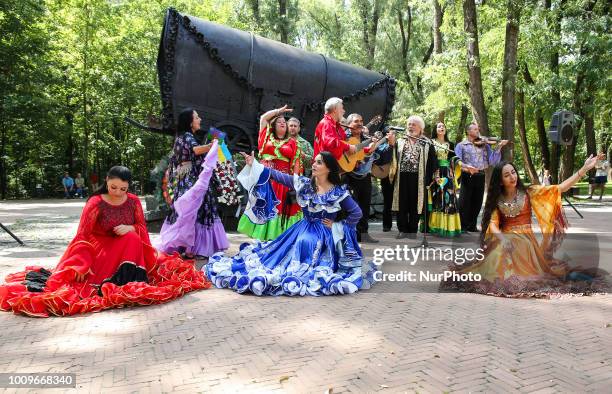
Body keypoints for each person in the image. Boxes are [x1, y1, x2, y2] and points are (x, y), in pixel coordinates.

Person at [0, 166, 210, 317]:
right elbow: (82, 234)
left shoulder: (134, 201)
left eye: (123, 189)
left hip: (126, 244)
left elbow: (142, 230)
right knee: (79, 279)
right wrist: (81, 263)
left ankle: (130, 280)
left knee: (132, 236)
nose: (118, 192)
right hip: (98, 246)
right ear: (106, 182)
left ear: (129, 187)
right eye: (113, 187)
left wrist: (131, 227)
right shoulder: (95, 202)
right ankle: (108, 278)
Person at [204, 151, 377, 296]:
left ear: (329, 168)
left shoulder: (338, 192)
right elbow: (277, 176)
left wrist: (338, 227)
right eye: (314, 162)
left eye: (319, 163)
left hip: (324, 233)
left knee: (307, 242)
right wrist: (254, 164)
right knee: (283, 250)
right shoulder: (305, 184)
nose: (314, 165)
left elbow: (357, 213)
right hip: (302, 227)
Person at [443, 154, 607, 297]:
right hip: (504, 240)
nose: (512, 177)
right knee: (497, 261)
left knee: (522, 249)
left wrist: (584, 169)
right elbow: (493, 226)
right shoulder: (497, 200)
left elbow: (560, 188)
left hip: (526, 243)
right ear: (500, 181)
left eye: (513, 172)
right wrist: (502, 238)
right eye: (507, 175)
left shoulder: (529, 192)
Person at [157, 108, 229, 258]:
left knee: (189, 211)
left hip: (185, 179)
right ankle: (196, 248)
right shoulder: (187, 137)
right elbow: (195, 150)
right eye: (197, 117)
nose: (200, 120)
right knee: (196, 208)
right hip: (189, 180)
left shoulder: (182, 136)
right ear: (190, 122)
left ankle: (188, 247)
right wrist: (212, 146)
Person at [237, 105, 302, 241]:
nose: (283, 123)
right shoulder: (266, 137)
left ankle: (275, 238)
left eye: (285, 122)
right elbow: (263, 118)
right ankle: (260, 238)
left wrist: (295, 183)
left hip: (282, 181)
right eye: (279, 122)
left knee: (278, 207)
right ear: (273, 125)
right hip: (265, 179)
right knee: (263, 205)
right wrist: (279, 112)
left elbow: (296, 163)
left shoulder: (293, 143)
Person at [389, 115, 438, 239]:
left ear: (420, 128)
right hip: (401, 177)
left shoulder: (427, 143)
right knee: (402, 204)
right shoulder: (400, 141)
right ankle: (402, 230)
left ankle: (412, 231)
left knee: (416, 205)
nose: (410, 127)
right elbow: (392, 159)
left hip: (419, 178)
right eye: (409, 124)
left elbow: (433, 161)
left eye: (413, 124)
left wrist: (433, 178)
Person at [455, 123, 509, 232]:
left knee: (477, 202)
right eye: (475, 129)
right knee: (464, 202)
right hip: (467, 175)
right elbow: (457, 161)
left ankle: (472, 226)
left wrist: (499, 147)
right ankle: (463, 226)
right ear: (468, 131)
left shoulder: (485, 145)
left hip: (481, 175)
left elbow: (493, 161)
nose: (477, 131)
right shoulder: (461, 145)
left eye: (478, 129)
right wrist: (466, 167)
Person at [342, 113, 380, 243]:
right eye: (356, 121)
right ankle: (349, 235)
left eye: (361, 121)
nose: (359, 123)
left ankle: (363, 234)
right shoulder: (343, 137)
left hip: (365, 176)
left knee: (364, 205)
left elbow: (367, 158)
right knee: (350, 206)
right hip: (349, 176)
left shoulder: (367, 138)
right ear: (349, 124)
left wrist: (373, 147)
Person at [428, 122, 461, 237]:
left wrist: (453, 168)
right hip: (436, 172)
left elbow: (454, 159)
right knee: (438, 197)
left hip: (448, 173)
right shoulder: (430, 143)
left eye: (443, 126)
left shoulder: (451, 144)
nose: (441, 128)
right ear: (435, 129)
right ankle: (436, 227)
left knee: (450, 197)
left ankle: (450, 227)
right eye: (439, 126)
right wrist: (436, 174)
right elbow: (431, 159)